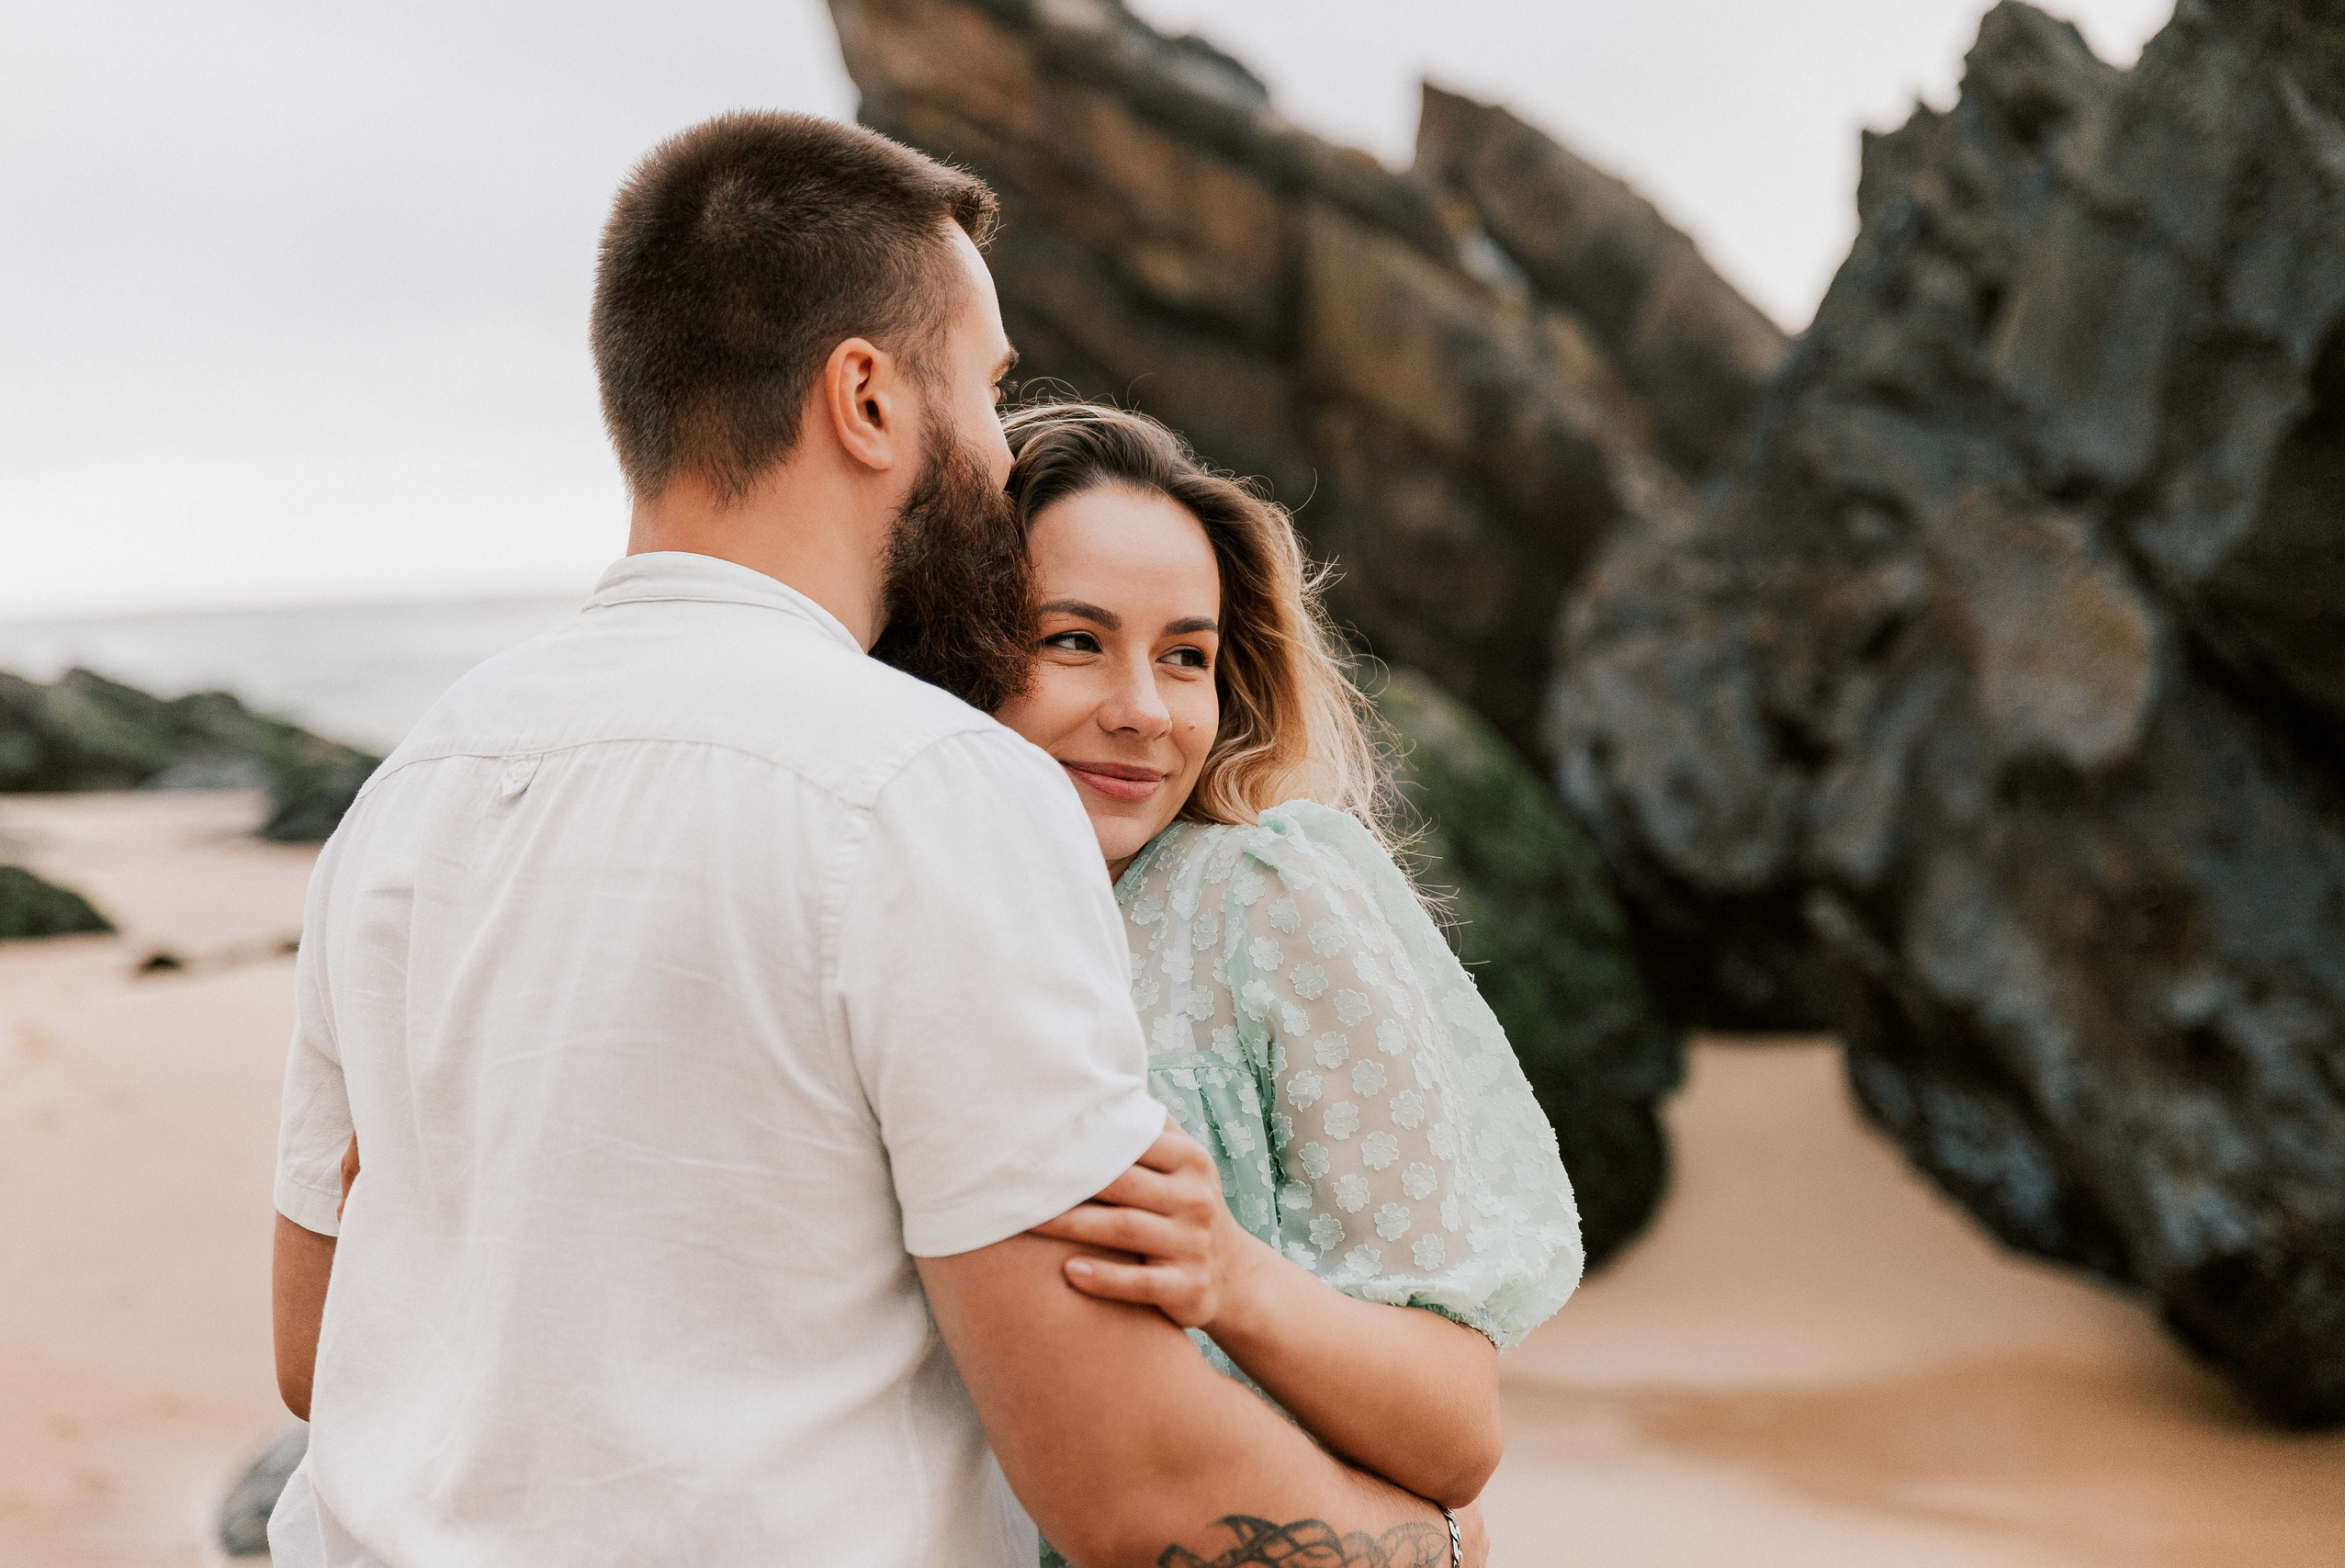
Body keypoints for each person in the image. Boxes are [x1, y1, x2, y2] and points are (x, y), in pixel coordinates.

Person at [268, 113, 1479, 1568]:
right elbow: (1133, 1489)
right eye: (984, 386)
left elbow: (312, 1348)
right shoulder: (928, 793)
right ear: (867, 398)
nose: (992, 438)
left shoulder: (414, 786)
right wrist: (1440, 1545)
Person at [881, 403, 1584, 1565]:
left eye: (1185, 657)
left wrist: (1232, 1276)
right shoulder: (884, 904)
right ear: (949, 644)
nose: (1144, 713)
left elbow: (1456, 1431)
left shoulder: (1261, 902)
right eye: (1072, 640)